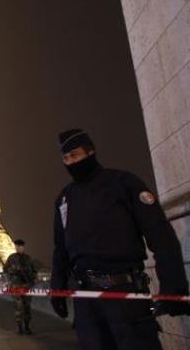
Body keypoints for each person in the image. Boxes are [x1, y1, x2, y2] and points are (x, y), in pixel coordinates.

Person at [50, 129, 190, 350]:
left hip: (125, 295)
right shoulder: (63, 199)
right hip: (86, 301)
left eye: (75, 155)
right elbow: (61, 249)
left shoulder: (124, 183)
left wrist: (173, 286)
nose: (70, 162)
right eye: (66, 158)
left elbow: (160, 235)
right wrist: (56, 287)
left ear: (91, 152)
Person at [4, 238, 37, 334]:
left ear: (23, 247)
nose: (18, 248)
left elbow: (34, 271)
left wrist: (32, 280)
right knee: (18, 307)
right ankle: (19, 328)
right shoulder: (11, 258)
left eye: (20, 246)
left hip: (26, 286)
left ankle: (27, 327)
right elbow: (5, 269)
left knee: (27, 307)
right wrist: (14, 270)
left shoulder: (28, 258)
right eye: (16, 246)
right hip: (16, 286)